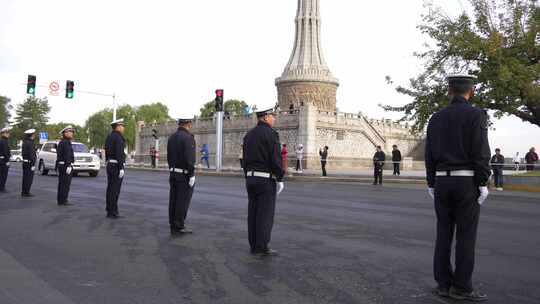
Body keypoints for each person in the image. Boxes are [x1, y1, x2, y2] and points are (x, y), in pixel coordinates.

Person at [425, 74, 490, 301]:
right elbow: (481, 152)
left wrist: (431, 181)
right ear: (471, 92)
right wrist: (483, 182)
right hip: (465, 182)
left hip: (442, 181)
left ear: (449, 91)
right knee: (465, 236)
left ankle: (443, 283)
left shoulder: (435, 118)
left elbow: (429, 154)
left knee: (443, 233)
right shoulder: (476, 115)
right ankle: (461, 287)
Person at [243, 108, 285, 256]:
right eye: (273, 116)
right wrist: (279, 177)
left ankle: (253, 244)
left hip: (251, 178)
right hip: (265, 179)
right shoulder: (271, 134)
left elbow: (245, 159)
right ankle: (262, 246)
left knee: (253, 212)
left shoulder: (249, 135)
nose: (274, 119)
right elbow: (275, 159)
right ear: (266, 117)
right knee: (265, 214)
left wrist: (247, 175)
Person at [167, 118, 196, 236]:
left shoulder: (172, 137)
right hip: (183, 174)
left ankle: (173, 223)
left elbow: (169, 157)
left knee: (173, 199)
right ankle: (179, 225)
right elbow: (189, 159)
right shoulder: (188, 138)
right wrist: (191, 174)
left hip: (173, 172)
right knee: (182, 200)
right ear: (188, 124)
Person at [104, 119, 127, 219]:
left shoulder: (109, 136)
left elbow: (106, 150)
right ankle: (113, 211)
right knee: (115, 190)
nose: (123, 128)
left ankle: (110, 209)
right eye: (122, 126)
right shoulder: (118, 137)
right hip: (116, 165)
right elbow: (119, 153)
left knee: (110, 189)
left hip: (110, 164)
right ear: (117, 126)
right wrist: (121, 167)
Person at [56, 126, 76, 206]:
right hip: (65, 165)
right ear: (65, 133)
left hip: (63, 165)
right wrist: (68, 165)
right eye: (70, 132)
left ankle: (61, 200)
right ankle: (63, 200)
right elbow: (67, 155)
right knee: (65, 183)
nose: (72, 134)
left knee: (63, 183)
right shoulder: (65, 142)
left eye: (72, 132)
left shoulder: (65, 142)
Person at [21, 129, 37, 197]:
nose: (35, 135)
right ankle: (26, 192)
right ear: (32, 135)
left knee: (25, 178)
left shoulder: (25, 142)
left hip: (25, 162)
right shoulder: (30, 143)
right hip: (29, 163)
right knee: (29, 178)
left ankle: (24, 191)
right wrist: (33, 163)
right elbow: (31, 154)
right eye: (34, 134)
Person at [0, 127, 12, 193]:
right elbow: (5, 152)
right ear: (3, 133)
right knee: (3, 175)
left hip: (1, 160)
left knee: (1, 175)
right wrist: (7, 161)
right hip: (3, 161)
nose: (8, 134)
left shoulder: (2, 140)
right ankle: (2, 188)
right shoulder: (4, 141)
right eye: (7, 133)